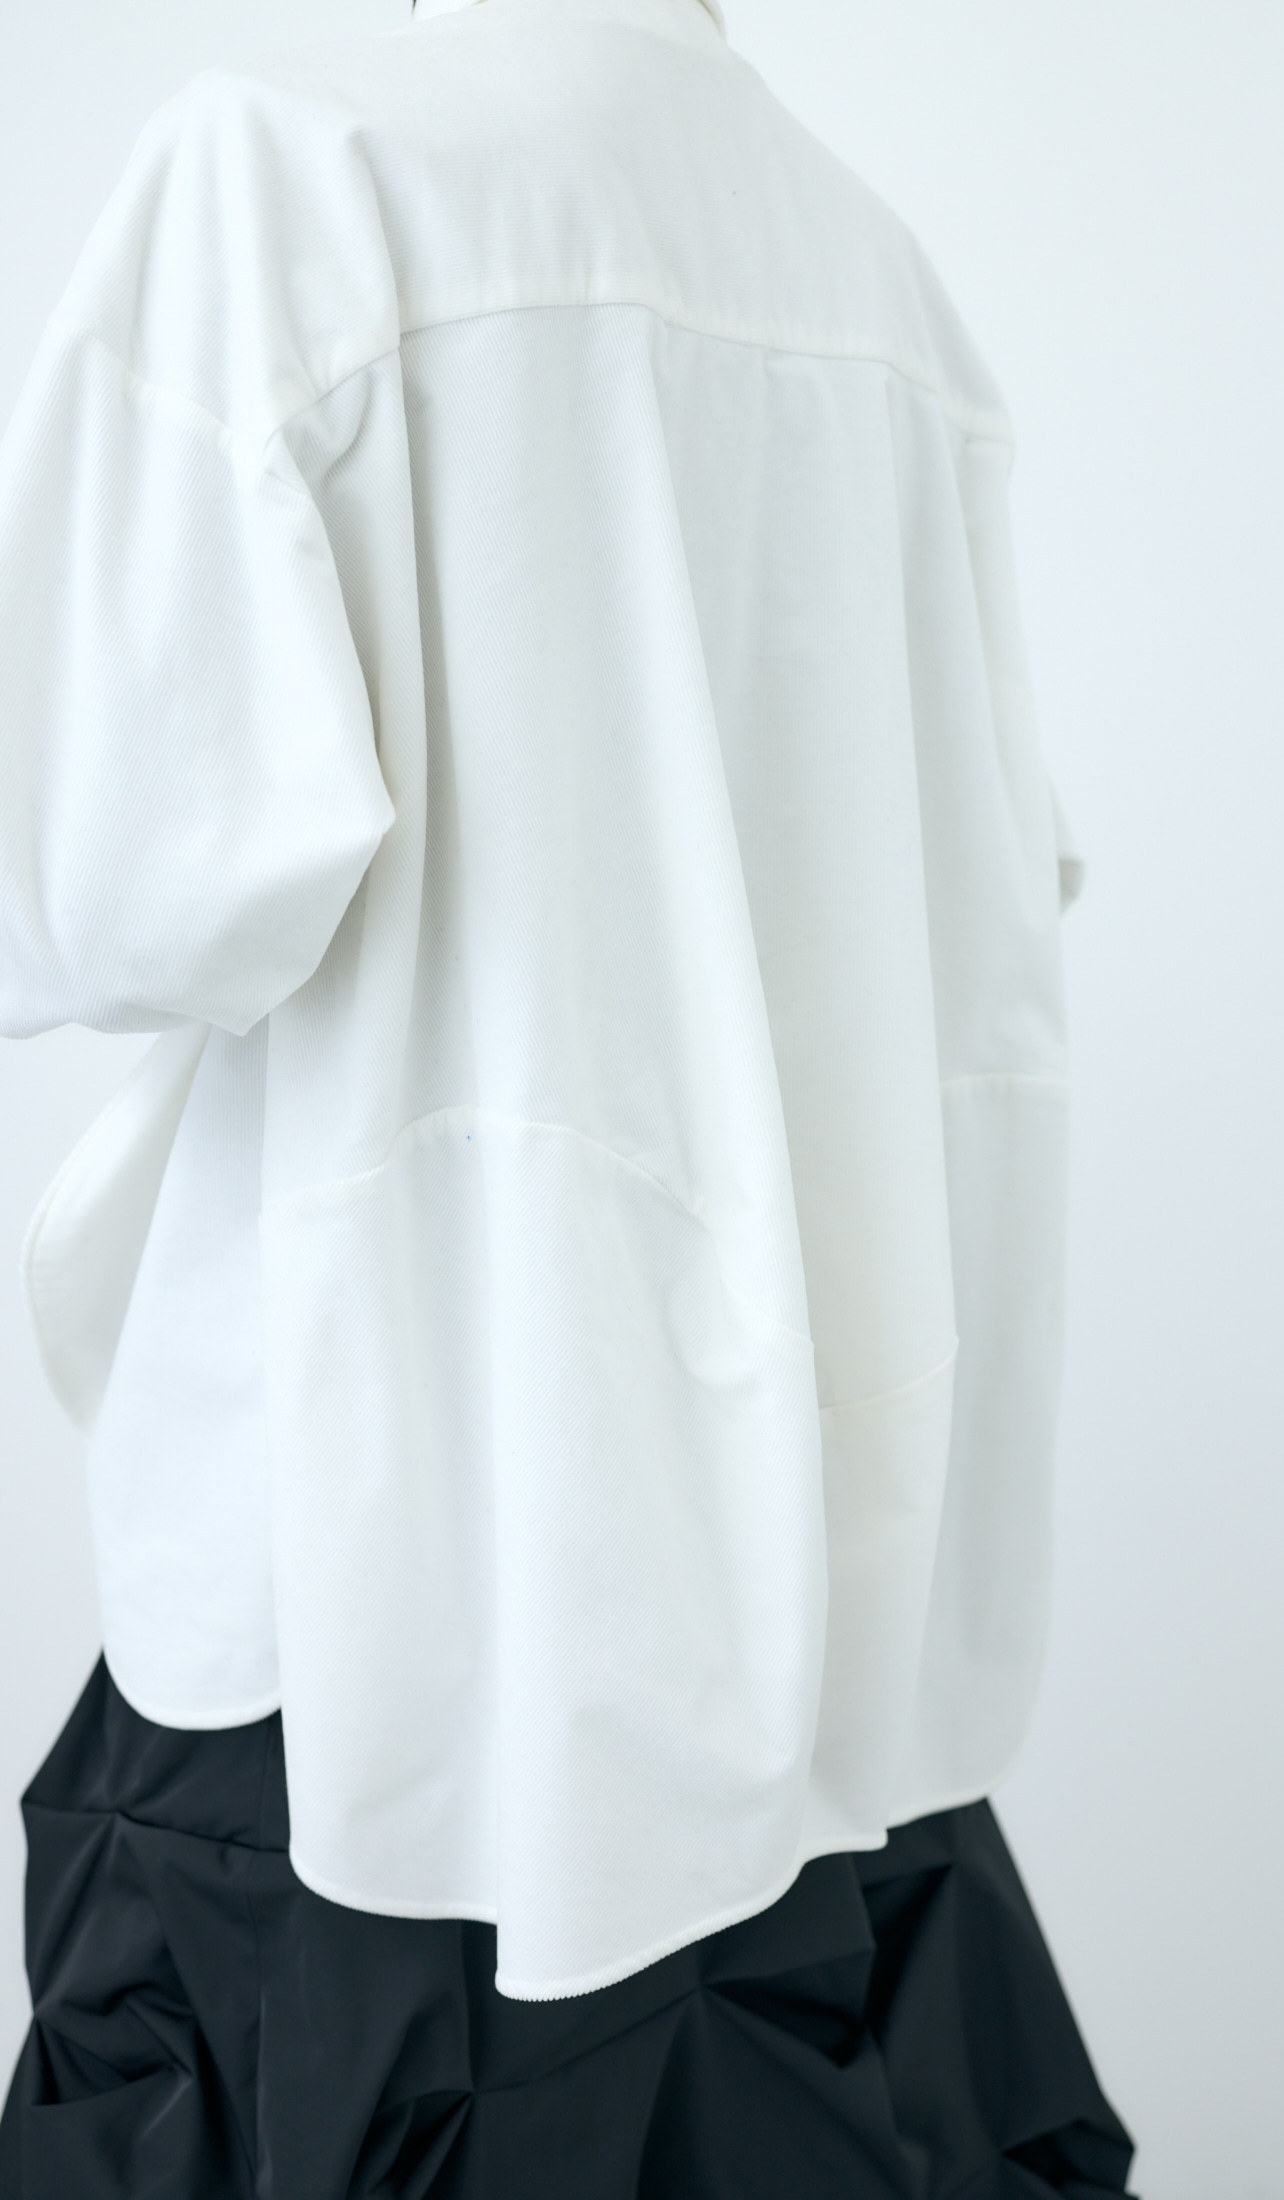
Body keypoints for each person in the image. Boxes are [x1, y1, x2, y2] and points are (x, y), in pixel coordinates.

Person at [0, 0, 1135, 2190]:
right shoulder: (881, 285)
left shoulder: (293, 182)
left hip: (377, 1607)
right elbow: (985, 921)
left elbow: (102, 882)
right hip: (807, 1667)